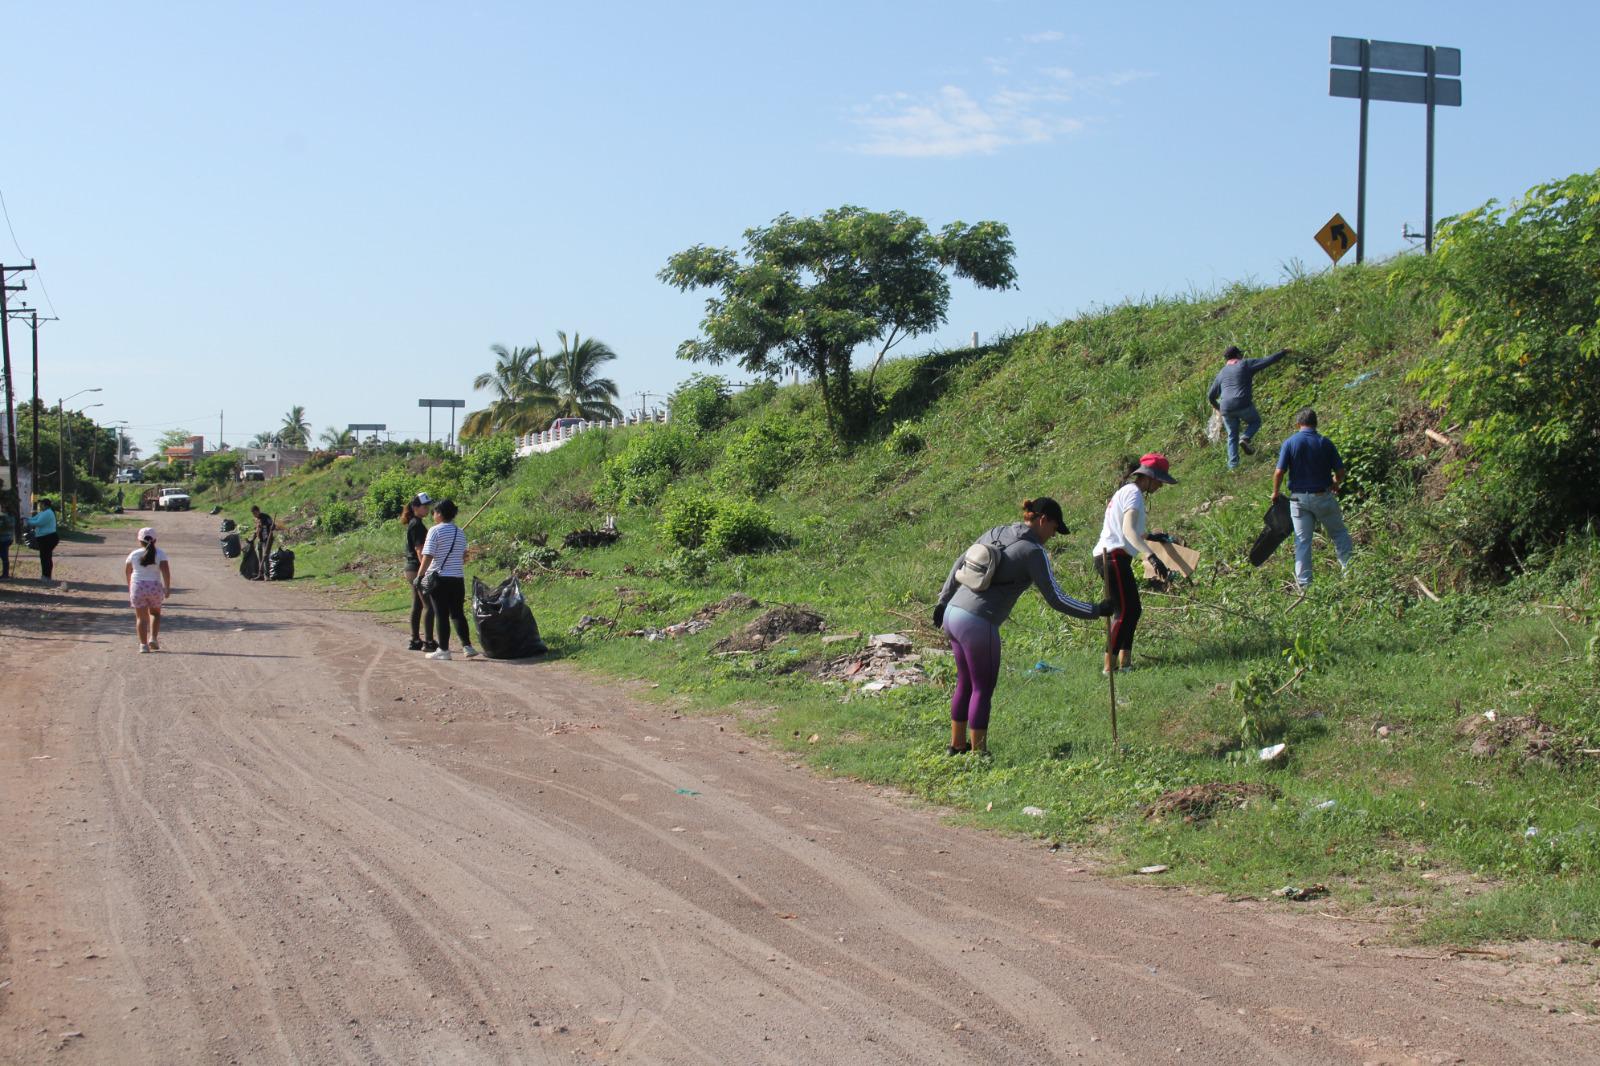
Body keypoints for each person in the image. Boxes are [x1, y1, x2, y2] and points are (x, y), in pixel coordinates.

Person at [933, 498, 1102, 756]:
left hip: (953, 613)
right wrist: (1095, 610)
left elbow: (960, 561)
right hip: (978, 621)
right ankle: (979, 754)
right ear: (1042, 520)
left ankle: (956, 746)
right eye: (1054, 529)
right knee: (982, 687)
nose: (1053, 536)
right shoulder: (1033, 551)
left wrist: (942, 600)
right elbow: (1056, 598)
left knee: (965, 682)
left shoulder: (998, 531)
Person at [1093, 453, 1178, 675]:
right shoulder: (1133, 493)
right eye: (1159, 480)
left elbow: (1135, 531)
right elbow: (1128, 531)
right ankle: (1109, 666)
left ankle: (1125, 662)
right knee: (1124, 611)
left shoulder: (1129, 492)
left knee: (1133, 610)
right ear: (1148, 477)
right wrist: (1150, 556)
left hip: (1114, 556)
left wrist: (1152, 537)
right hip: (1112, 556)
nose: (1160, 485)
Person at [1273, 407, 1353, 590]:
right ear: (1316, 423)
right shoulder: (1325, 443)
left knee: (1302, 541)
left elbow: (1279, 472)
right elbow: (1340, 472)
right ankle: (1350, 574)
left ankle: (1304, 585)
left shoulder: (1290, 442)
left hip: (1298, 501)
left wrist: (1275, 493)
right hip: (1322, 496)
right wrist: (1335, 482)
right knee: (1339, 534)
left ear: (1298, 424)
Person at [1207, 345, 1290, 469]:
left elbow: (1210, 396)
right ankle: (1245, 438)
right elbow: (1267, 361)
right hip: (1242, 402)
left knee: (1232, 436)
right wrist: (1283, 352)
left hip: (1226, 408)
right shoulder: (1245, 364)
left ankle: (1233, 466)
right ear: (1239, 355)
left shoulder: (1221, 373)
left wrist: (1218, 407)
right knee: (1255, 421)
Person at [417, 498, 477, 661]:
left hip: (439, 578)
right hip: (457, 578)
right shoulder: (460, 532)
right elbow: (463, 557)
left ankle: (444, 650)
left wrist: (420, 575)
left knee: (441, 614)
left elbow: (427, 555)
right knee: (457, 613)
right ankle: (467, 646)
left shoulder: (434, 531)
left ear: (440, 514)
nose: (433, 515)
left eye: (434, 512)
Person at [124, 526, 172, 653]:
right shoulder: (160, 554)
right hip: (154, 587)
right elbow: (166, 572)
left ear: (139, 541)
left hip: (138, 587)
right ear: (155, 540)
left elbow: (128, 572)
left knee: (141, 618)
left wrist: (130, 587)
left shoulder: (133, 554)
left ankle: (143, 645)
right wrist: (167, 588)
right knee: (155, 613)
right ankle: (153, 638)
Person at [403, 492, 436, 651]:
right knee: (429, 605)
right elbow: (419, 550)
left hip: (411, 568)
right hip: (417, 568)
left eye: (428, 506)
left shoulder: (415, 522)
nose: (427, 509)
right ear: (415, 507)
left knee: (417, 604)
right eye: (424, 506)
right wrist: (426, 569)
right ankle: (429, 642)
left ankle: (415, 640)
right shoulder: (416, 524)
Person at [25, 498, 60, 580]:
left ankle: (46, 576)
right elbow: (34, 519)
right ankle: (45, 575)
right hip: (44, 538)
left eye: (41, 504)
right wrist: (26, 519)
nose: (40, 506)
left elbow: (38, 523)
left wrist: (27, 522)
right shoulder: (43, 513)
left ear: (45, 505)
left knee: (45, 557)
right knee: (44, 556)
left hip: (48, 537)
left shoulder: (48, 513)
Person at [250, 505, 275, 581]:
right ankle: (261, 575)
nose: (254, 515)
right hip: (260, 540)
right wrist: (252, 539)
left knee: (265, 557)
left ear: (258, 511)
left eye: (255, 513)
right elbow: (256, 530)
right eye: (253, 514)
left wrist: (272, 527)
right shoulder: (256, 519)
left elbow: (273, 526)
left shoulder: (265, 517)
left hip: (267, 540)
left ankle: (267, 576)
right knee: (260, 558)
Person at [0, 499, 14, 578]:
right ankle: (5, 574)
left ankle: (5, 575)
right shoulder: (11, 516)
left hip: (3, 539)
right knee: (5, 556)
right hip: (9, 538)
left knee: (4, 557)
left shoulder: (4, 517)